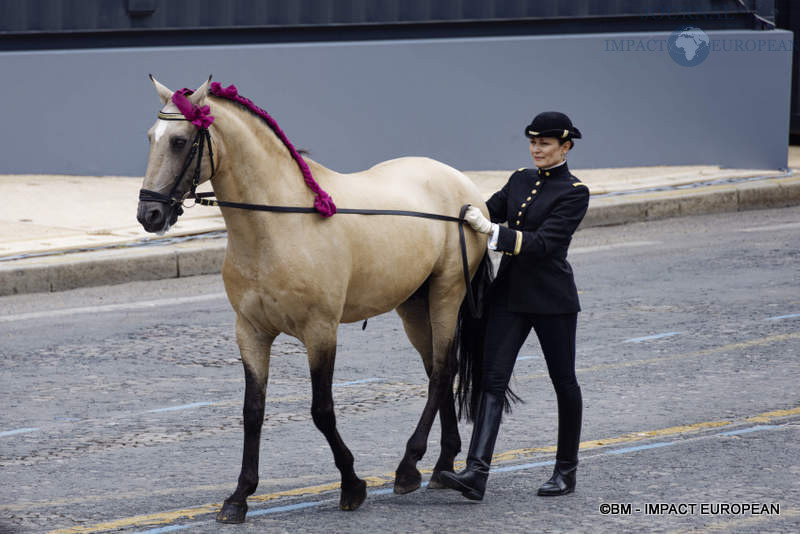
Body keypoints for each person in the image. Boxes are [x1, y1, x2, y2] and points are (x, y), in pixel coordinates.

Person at [440, 111, 589, 500]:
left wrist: (492, 232)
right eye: (533, 142)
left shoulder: (574, 191)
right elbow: (488, 209)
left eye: (545, 144)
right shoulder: (521, 179)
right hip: (509, 297)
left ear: (565, 147)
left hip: (552, 300)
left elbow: (544, 244)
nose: (537, 149)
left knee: (564, 382)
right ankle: (476, 473)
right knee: (492, 380)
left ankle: (565, 470)